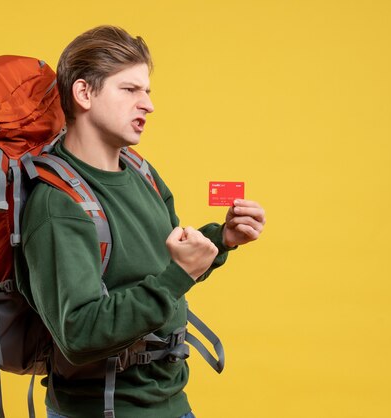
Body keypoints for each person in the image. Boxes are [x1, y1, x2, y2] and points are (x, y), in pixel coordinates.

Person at [15, 25, 266, 418]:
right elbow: (78, 334)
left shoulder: (141, 172)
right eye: (130, 90)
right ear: (84, 94)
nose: (147, 104)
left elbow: (168, 266)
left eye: (147, 91)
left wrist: (222, 239)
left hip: (170, 402)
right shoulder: (58, 205)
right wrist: (180, 273)